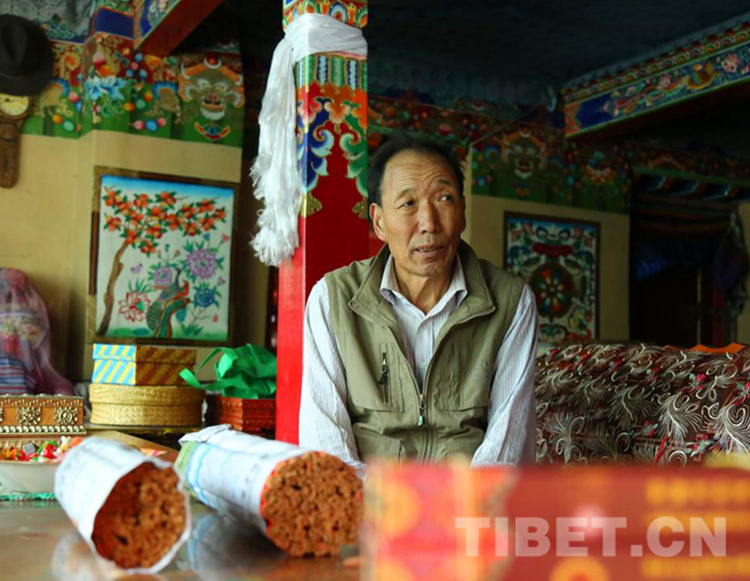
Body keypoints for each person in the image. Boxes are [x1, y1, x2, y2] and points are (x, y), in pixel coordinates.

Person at [299, 132, 538, 477]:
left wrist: (459, 505)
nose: (429, 224)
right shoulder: (332, 299)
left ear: (462, 213)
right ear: (379, 221)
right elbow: (326, 445)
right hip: (368, 499)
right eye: (408, 203)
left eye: (444, 198)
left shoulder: (510, 301)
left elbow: (506, 447)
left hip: (468, 499)